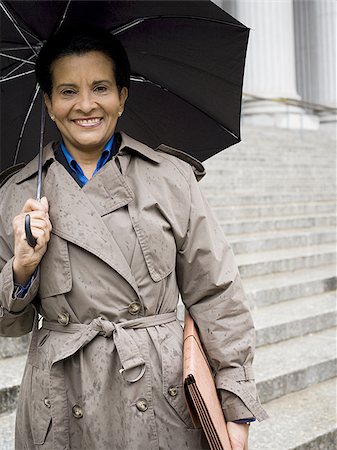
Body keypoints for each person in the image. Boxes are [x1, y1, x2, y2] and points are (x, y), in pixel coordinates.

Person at [0, 25, 267, 450]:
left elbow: (217, 291)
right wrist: (22, 267)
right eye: (67, 91)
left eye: (100, 87)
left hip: (158, 394)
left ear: (122, 96)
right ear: (48, 104)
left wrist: (237, 402)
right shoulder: (17, 194)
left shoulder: (171, 177)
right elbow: (7, 324)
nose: (85, 105)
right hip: (61, 397)